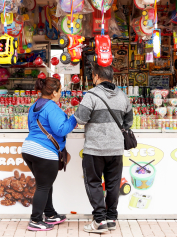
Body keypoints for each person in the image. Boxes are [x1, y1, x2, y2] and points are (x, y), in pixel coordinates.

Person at [75, 63, 133, 233]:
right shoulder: (123, 96)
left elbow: (81, 119)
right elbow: (128, 122)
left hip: (95, 148)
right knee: (113, 184)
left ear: (96, 76)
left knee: (94, 182)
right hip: (116, 148)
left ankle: (99, 220)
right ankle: (111, 218)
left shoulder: (91, 95)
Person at [22, 77, 77, 231]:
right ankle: (35, 220)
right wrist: (74, 119)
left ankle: (50, 214)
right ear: (53, 93)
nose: (60, 94)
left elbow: (32, 127)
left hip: (29, 149)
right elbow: (61, 129)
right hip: (44, 152)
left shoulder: (35, 106)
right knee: (43, 186)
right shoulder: (52, 107)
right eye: (59, 91)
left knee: (44, 184)